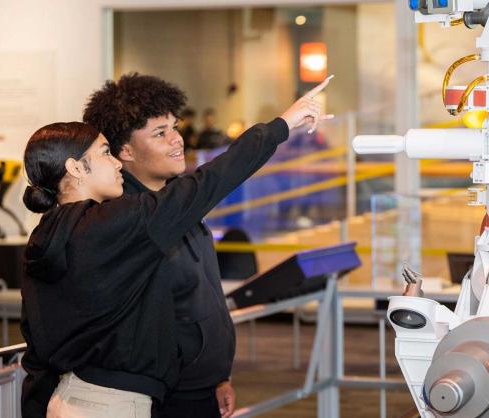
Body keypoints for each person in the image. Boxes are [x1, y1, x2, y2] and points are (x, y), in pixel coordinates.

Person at [20, 77, 332, 418]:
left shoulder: (53, 230)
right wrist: (282, 124)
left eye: (174, 127)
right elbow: (213, 180)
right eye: (107, 153)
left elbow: (41, 335)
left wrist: (215, 375)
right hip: (120, 400)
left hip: (83, 395)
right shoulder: (119, 223)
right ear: (75, 168)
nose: (116, 163)